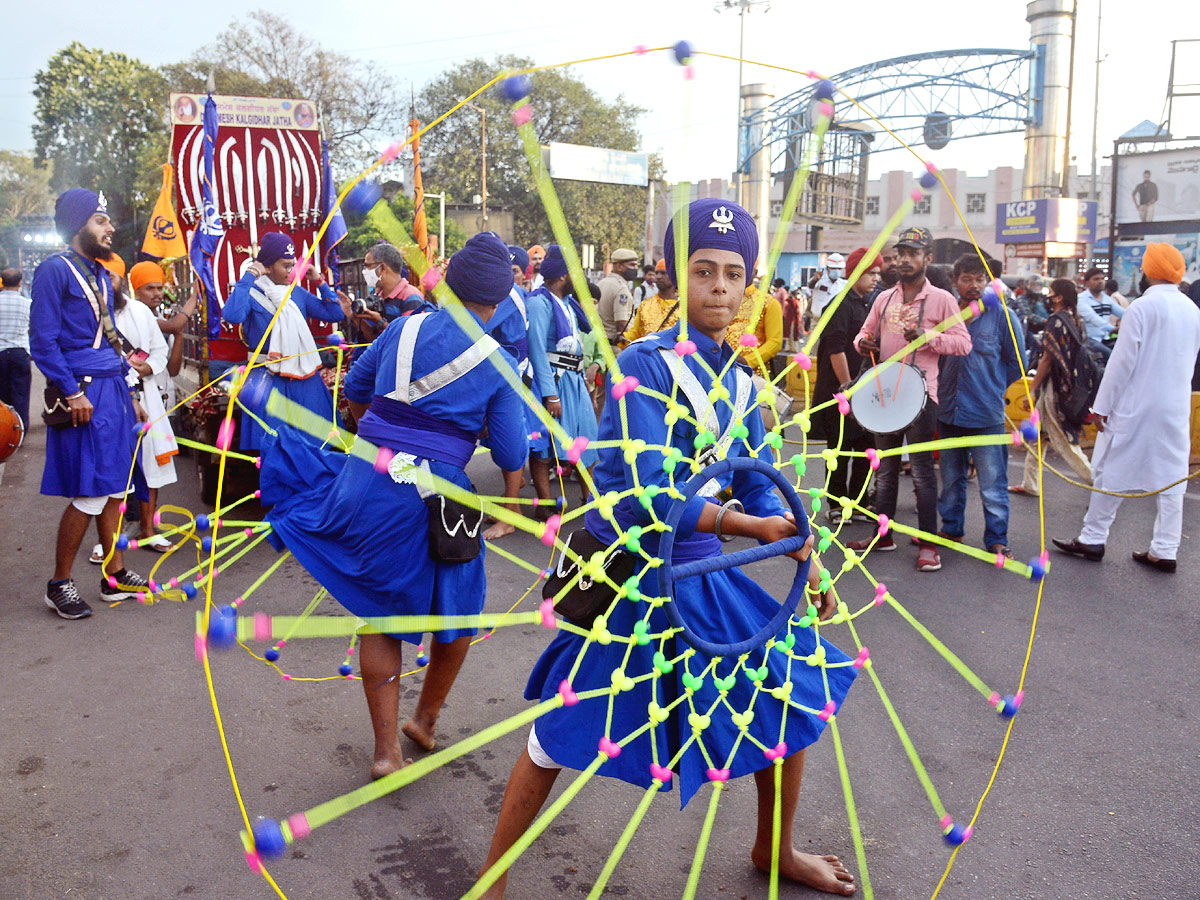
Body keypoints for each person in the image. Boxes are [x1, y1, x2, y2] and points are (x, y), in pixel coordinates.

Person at [477, 199, 857, 899]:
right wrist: (747, 528)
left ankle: (775, 847)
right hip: (641, 581)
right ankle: (493, 879)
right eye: (703, 271)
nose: (718, 286)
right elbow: (647, 499)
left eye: (732, 273)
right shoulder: (643, 368)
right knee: (563, 728)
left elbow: (761, 482)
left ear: (751, 286)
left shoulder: (744, 381)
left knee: (790, 693)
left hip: (712, 577)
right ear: (677, 277)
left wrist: (808, 556)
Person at [259, 232, 529, 776]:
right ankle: (423, 722)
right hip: (438, 501)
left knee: (382, 615)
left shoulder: (402, 328)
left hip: (365, 479)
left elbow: (355, 392)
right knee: (459, 612)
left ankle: (386, 754)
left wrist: (377, 440)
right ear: (498, 303)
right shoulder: (495, 360)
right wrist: (514, 498)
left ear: (447, 284)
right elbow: (509, 450)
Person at [29, 188, 149, 619]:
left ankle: (113, 576)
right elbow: (42, 343)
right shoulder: (53, 271)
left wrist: (131, 390)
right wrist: (71, 390)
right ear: (77, 225)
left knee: (116, 486)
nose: (110, 227)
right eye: (101, 220)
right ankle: (59, 583)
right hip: (82, 390)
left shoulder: (100, 275)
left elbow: (111, 339)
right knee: (89, 491)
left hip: (112, 389)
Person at [1053, 244, 1200, 572]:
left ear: (1148, 272)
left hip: (1136, 405)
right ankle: (1164, 550)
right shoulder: (1192, 310)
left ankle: (1093, 538)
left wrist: (1102, 405)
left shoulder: (1142, 307)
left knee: (1111, 471)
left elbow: (1122, 362)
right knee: (1173, 479)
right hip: (1176, 407)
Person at [848, 226, 972, 572]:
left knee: (921, 474)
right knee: (885, 471)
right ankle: (882, 536)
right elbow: (863, 334)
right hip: (886, 397)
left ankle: (929, 545)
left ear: (927, 259)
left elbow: (963, 343)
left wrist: (928, 336)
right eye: (901, 253)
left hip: (922, 398)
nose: (904, 259)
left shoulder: (942, 300)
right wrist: (863, 343)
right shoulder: (884, 298)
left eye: (912, 254)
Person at [221, 232, 351, 451]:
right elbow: (232, 315)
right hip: (268, 378)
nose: (291, 271)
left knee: (317, 444)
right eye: (286, 266)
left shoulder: (296, 293)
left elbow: (335, 314)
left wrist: (319, 281)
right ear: (268, 266)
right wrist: (250, 275)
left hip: (303, 377)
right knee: (274, 448)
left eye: (293, 265)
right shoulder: (252, 294)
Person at [936, 256, 1026, 557]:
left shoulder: (1003, 317)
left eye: (979, 279)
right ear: (955, 281)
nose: (973, 285)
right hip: (948, 412)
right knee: (950, 481)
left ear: (988, 282)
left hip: (986, 415)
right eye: (966, 279)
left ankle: (997, 540)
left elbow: (1017, 365)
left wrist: (991, 386)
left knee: (993, 485)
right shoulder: (946, 316)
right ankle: (951, 530)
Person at [525, 244, 600, 506]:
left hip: (576, 381)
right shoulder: (538, 303)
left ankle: (589, 501)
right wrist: (550, 394)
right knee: (545, 448)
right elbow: (536, 351)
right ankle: (545, 506)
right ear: (562, 276)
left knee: (587, 443)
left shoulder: (568, 303)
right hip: (554, 383)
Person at [812, 247, 881, 524]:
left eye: (877, 272)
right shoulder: (839, 304)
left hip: (865, 392)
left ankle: (859, 502)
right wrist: (846, 388)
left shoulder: (868, 303)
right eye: (871, 272)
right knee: (839, 450)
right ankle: (837, 503)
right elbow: (835, 349)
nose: (876, 278)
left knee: (867, 448)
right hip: (842, 392)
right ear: (855, 273)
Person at [111, 272, 179, 552]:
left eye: (112, 277)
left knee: (152, 462)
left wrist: (148, 367)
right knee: (113, 466)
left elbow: (159, 351)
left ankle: (148, 530)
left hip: (147, 397)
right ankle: (109, 540)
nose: (108, 282)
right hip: (108, 396)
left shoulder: (139, 311)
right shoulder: (86, 310)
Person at [1010, 279, 1095, 497]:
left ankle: (1097, 482)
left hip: (1054, 388)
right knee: (1038, 436)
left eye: (1051, 292)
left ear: (1058, 297)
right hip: (1067, 385)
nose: (1047, 295)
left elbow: (1047, 359)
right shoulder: (1076, 319)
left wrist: (1032, 389)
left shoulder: (1056, 321)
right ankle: (1030, 482)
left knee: (1062, 441)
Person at [481, 244, 536, 541]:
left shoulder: (507, 296)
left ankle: (512, 512)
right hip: (505, 372)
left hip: (510, 375)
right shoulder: (508, 292)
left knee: (509, 444)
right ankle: (509, 500)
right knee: (502, 442)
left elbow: (478, 325)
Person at [355, 242, 429, 341]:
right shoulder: (378, 298)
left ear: (382, 268)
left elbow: (410, 340)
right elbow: (376, 340)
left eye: (368, 266)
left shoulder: (411, 296)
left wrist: (380, 322)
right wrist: (354, 316)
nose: (364, 271)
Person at [0, 267, 31, 431]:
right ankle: (19, 430)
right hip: (19, 353)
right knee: (21, 395)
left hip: (0, 353)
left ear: (2, 282)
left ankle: (3, 430)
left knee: (2, 396)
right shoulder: (27, 304)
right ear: (20, 283)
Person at [622, 258, 680, 343]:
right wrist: (622, 339)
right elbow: (635, 333)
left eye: (663, 273)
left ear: (674, 276)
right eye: (657, 273)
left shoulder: (686, 308)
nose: (658, 277)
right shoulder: (645, 305)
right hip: (648, 355)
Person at [597, 247, 639, 346]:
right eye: (632, 265)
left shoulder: (601, 283)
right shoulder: (621, 289)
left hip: (601, 342)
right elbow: (621, 322)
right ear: (619, 266)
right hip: (616, 345)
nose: (635, 269)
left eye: (636, 265)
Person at [809, 252, 846, 322]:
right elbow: (810, 285)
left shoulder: (844, 284)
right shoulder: (819, 280)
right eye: (833, 268)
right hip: (818, 321)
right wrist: (815, 280)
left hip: (835, 322)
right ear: (827, 268)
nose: (836, 271)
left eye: (839, 269)